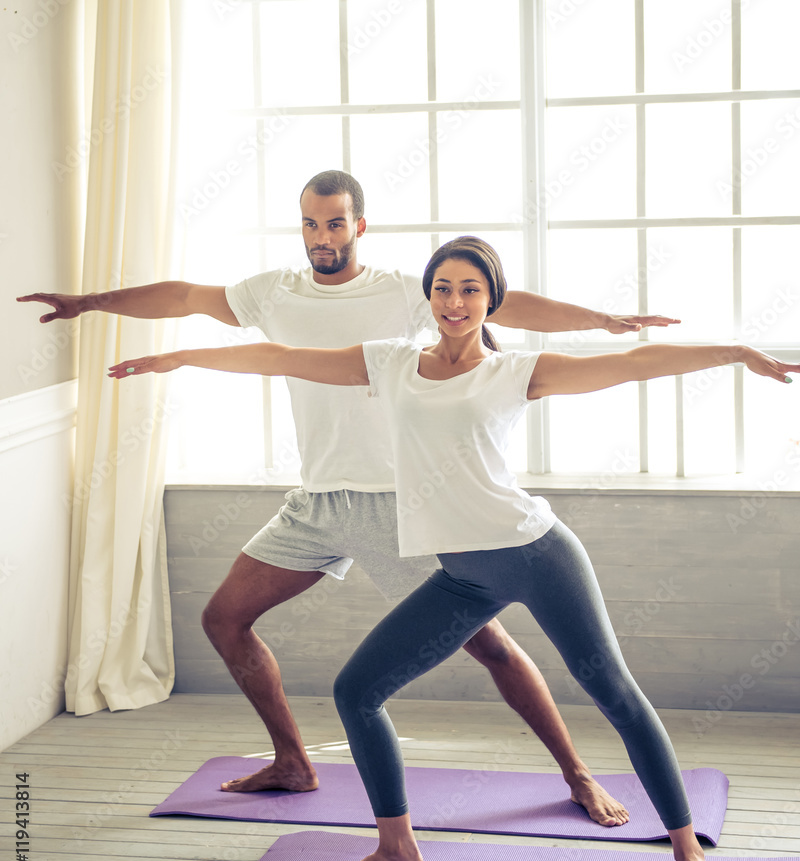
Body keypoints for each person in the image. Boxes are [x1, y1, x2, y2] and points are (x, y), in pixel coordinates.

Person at [106, 236, 800, 861]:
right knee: (358, 691)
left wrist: (735, 351)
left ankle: (687, 854)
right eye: (444, 288)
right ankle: (397, 850)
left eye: (471, 290)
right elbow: (281, 357)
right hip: (464, 577)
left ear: (491, 300)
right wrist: (181, 358)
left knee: (615, 694)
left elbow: (636, 364)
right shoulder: (391, 363)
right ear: (428, 297)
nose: (455, 302)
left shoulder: (516, 371)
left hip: (537, 555)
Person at [18, 171, 681, 824]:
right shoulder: (272, 291)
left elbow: (506, 302)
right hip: (317, 501)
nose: (323, 236)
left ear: (358, 225)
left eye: (336, 223)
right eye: (311, 223)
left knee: (491, 648)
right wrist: (91, 302)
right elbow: (187, 296)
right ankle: (291, 761)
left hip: (394, 503)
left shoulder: (406, 292)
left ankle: (576, 773)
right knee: (223, 618)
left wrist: (601, 320)